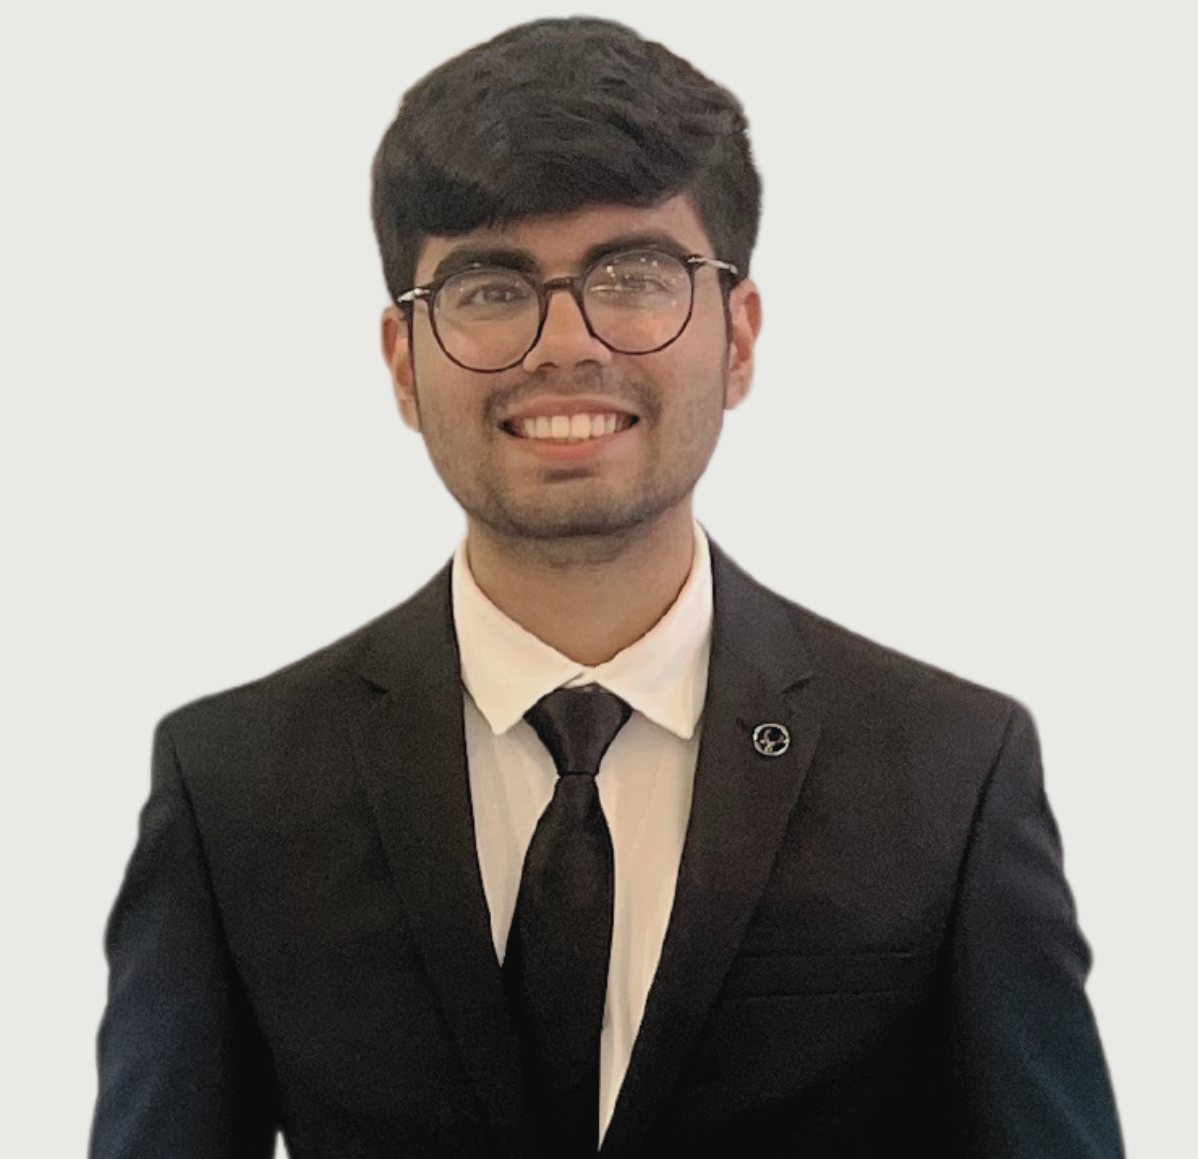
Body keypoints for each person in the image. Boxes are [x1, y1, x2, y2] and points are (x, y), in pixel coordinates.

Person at [90, 17, 1123, 1159]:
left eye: (633, 275)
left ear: (737, 337)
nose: (564, 343)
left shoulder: (947, 772)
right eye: (490, 286)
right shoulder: (233, 785)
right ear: (401, 359)